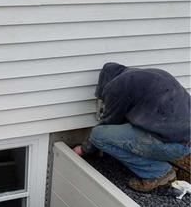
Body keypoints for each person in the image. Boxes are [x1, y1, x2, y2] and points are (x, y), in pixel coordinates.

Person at [73, 62, 190, 192]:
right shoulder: (148, 75)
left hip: (172, 145)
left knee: (98, 135)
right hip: (184, 141)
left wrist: (84, 149)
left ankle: (158, 172)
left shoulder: (116, 86)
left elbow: (109, 123)